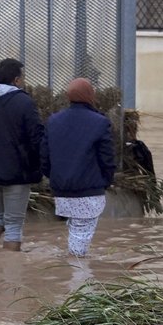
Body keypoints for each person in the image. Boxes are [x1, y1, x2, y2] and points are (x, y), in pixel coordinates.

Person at [0, 58, 45, 252]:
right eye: (23, 77)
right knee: (13, 223)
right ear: (16, 80)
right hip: (16, 172)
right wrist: (41, 164)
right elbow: (36, 137)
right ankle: (10, 272)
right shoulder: (24, 102)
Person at [41, 77, 116, 258]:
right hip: (89, 190)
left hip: (62, 190)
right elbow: (107, 158)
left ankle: (69, 274)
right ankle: (78, 280)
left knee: (76, 230)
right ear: (90, 95)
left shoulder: (53, 121)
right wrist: (105, 181)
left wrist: (54, 177)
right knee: (81, 239)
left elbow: (44, 155)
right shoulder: (100, 122)